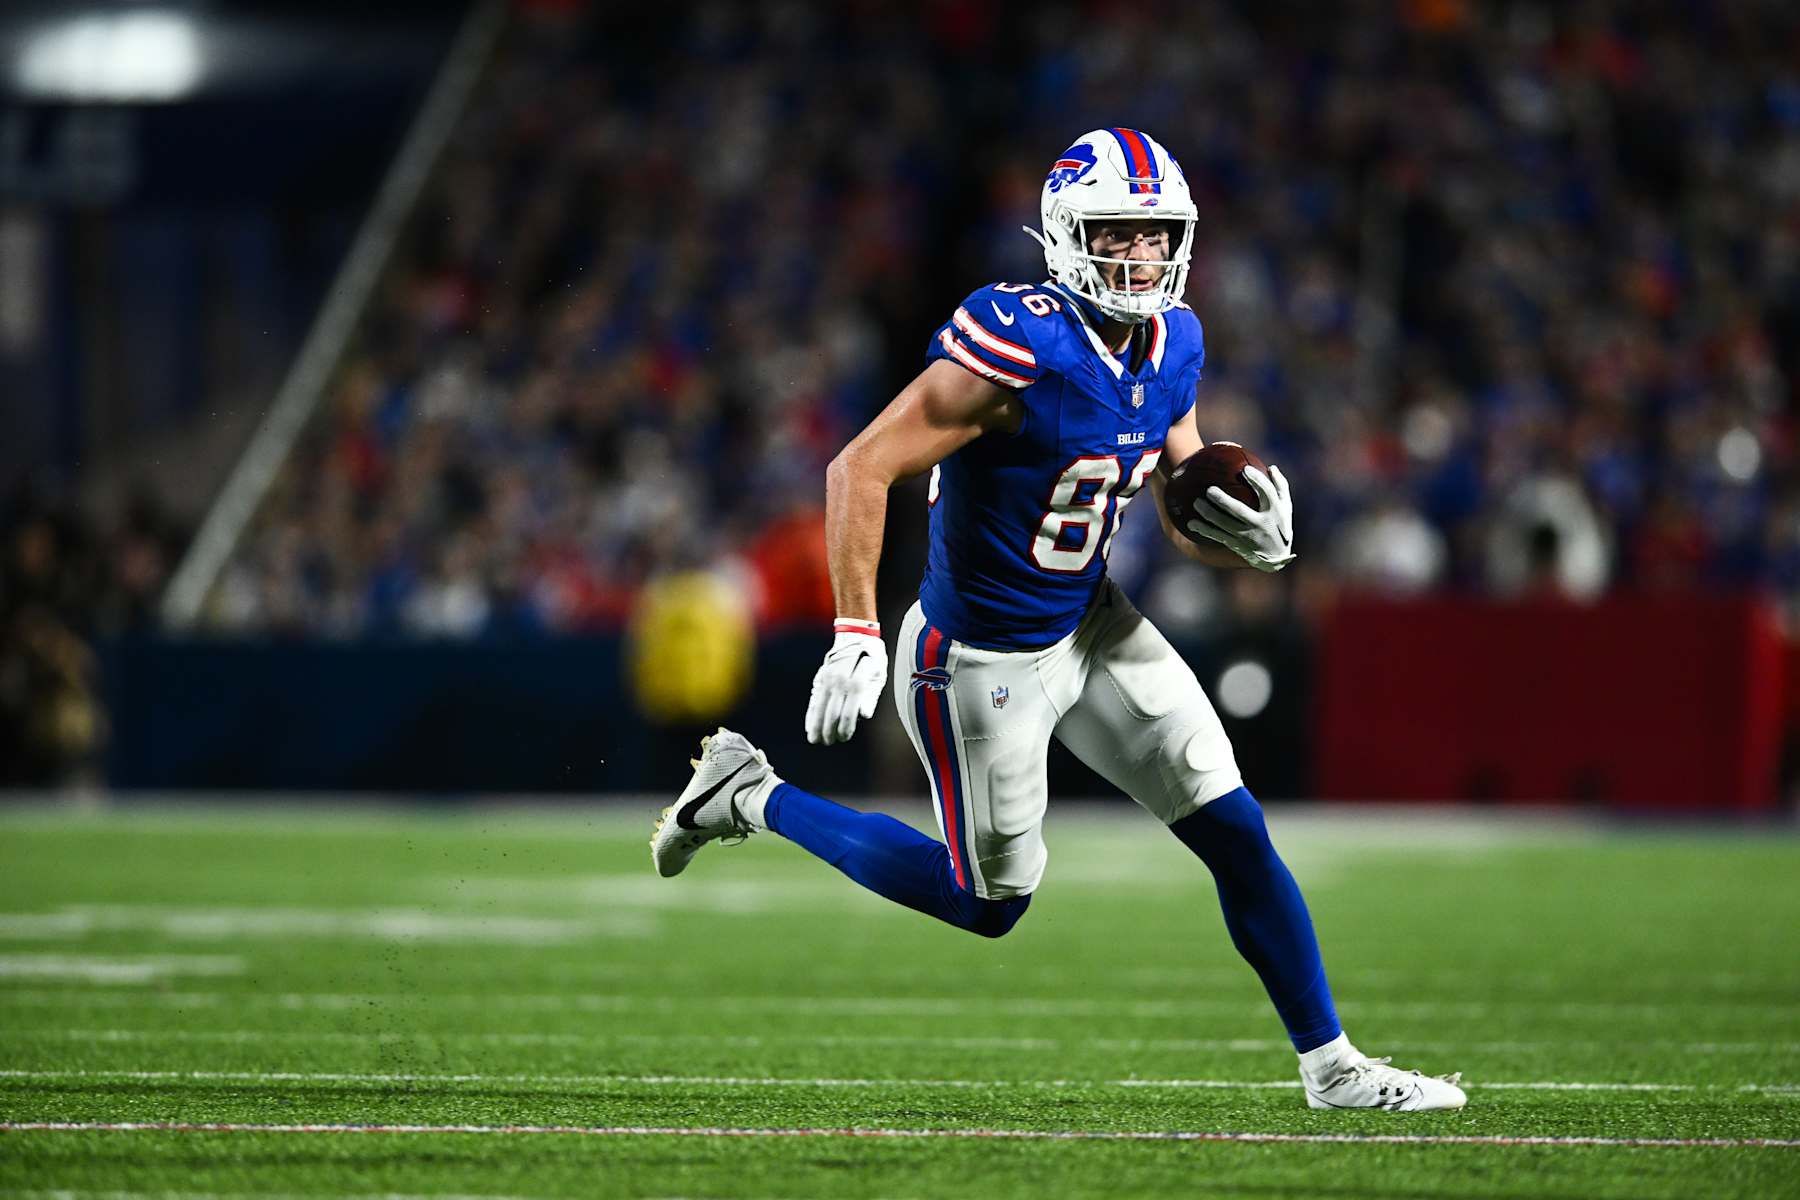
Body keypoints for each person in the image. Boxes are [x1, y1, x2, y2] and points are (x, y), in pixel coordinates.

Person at [651, 129, 1465, 1111]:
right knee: (988, 903)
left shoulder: (1176, 342)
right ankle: (751, 794)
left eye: (1158, 237)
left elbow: (1172, 485)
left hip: (1094, 622)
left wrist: (1242, 540)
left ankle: (1333, 1067)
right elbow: (859, 467)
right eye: (1120, 234)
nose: (1143, 258)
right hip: (979, 656)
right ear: (1067, 236)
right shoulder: (1017, 343)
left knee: (1235, 827)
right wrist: (856, 631)